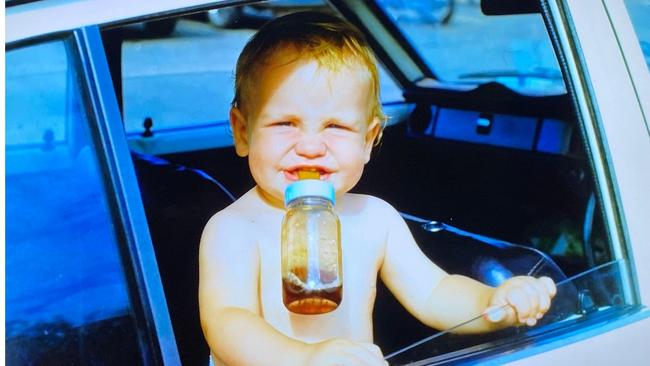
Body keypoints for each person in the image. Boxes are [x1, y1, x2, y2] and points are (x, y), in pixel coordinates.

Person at [199, 11, 556, 366]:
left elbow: (434, 292)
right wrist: (306, 358)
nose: (310, 146)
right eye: (285, 123)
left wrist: (492, 303)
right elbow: (228, 322)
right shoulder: (234, 228)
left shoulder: (374, 218)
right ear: (243, 132)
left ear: (368, 141)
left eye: (335, 126)